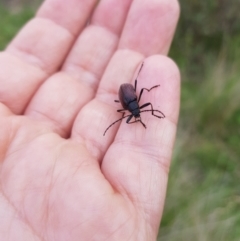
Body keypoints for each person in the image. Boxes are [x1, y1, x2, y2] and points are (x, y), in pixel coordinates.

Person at [0, 0, 180, 240]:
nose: (136, 116)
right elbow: (127, 105)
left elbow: (133, 105)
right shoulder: (128, 105)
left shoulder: (132, 105)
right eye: (136, 114)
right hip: (125, 93)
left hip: (126, 94)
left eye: (136, 115)